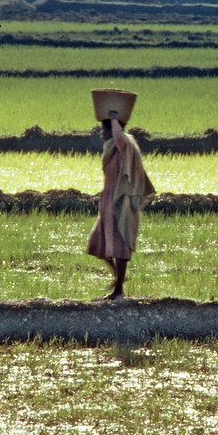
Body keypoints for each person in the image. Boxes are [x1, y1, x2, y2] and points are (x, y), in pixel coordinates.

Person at [86, 109, 155, 300]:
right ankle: (119, 278)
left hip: (122, 200)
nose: (101, 133)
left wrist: (114, 119)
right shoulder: (111, 147)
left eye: (103, 129)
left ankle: (118, 290)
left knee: (121, 246)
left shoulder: (125, 144)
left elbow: (119, 137)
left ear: (113, 130)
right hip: (109, 200)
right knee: (97, 243)